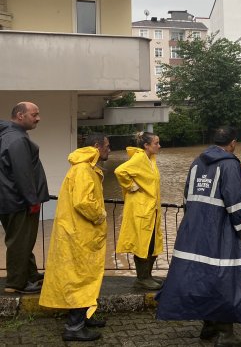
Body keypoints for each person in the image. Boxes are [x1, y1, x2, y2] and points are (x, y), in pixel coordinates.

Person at [156, 126, 241, 347]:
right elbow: (235, 201)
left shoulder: (197, 162)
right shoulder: (230, 164)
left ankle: (208, 326)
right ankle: (226, 335)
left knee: (203, 276)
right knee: (225, 278)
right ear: (233, 143)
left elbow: (187, 195)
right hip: (220, 232)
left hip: (194, 231)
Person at [39, 134, 111, 342]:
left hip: (81, 233)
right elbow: (83, 202)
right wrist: (100, 215)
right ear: (96, 147)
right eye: (106, 146)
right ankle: (74, 327)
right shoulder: (83, 169)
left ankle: (86, 316)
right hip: (79, 234)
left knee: (85, 277)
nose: (109, 149)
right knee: (81, 278)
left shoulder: (86, 168)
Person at [0, 102, 49, 295]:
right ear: (20, 116)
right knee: (19, 242)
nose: (38, 118)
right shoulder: (17, 139)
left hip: (10, 198)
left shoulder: (9, 135)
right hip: (19, 201)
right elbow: (23, 173)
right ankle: (16, 284)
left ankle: (30, 275)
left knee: (23, 240)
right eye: (34, 114)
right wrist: (32, 200)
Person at [115, 132, 164, 290]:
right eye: (156, 143)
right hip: (141, 208)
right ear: (146, 146)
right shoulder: (139, 158)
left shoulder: (150, 159)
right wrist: (131, 186)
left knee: (152, 243)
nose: (159, 146)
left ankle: (147, 276)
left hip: (150, 208)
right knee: (143, 243)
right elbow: (120, 171)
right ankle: (142, 278)